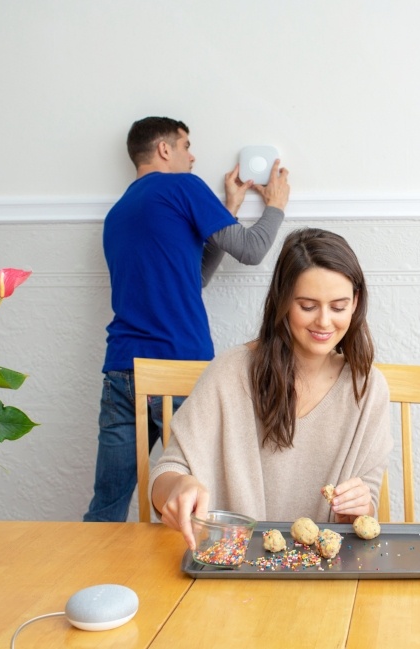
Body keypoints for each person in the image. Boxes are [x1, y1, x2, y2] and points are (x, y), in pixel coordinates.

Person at [85, 116, 290, 522]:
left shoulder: (119, 213)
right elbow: (251, 249)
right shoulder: (183, 187)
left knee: (107, 507)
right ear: (164, 149)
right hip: (177, 369)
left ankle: (95, 583)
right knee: (199, 502)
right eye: (186, 146)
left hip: (122, 371)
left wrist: (226, 209)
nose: (192, 156)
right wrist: (276, 207)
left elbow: (193, 278)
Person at [150, 228, 392, 549]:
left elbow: (368, 503)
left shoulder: (367, 387)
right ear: (282, 301)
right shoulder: (230, 372)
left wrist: (358, 507)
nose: (324, 321)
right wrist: (178, 487)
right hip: (233, 563)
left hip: (325, 572)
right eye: (307, 306)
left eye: (338, 306)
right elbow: (167, 473)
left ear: (355, 303)